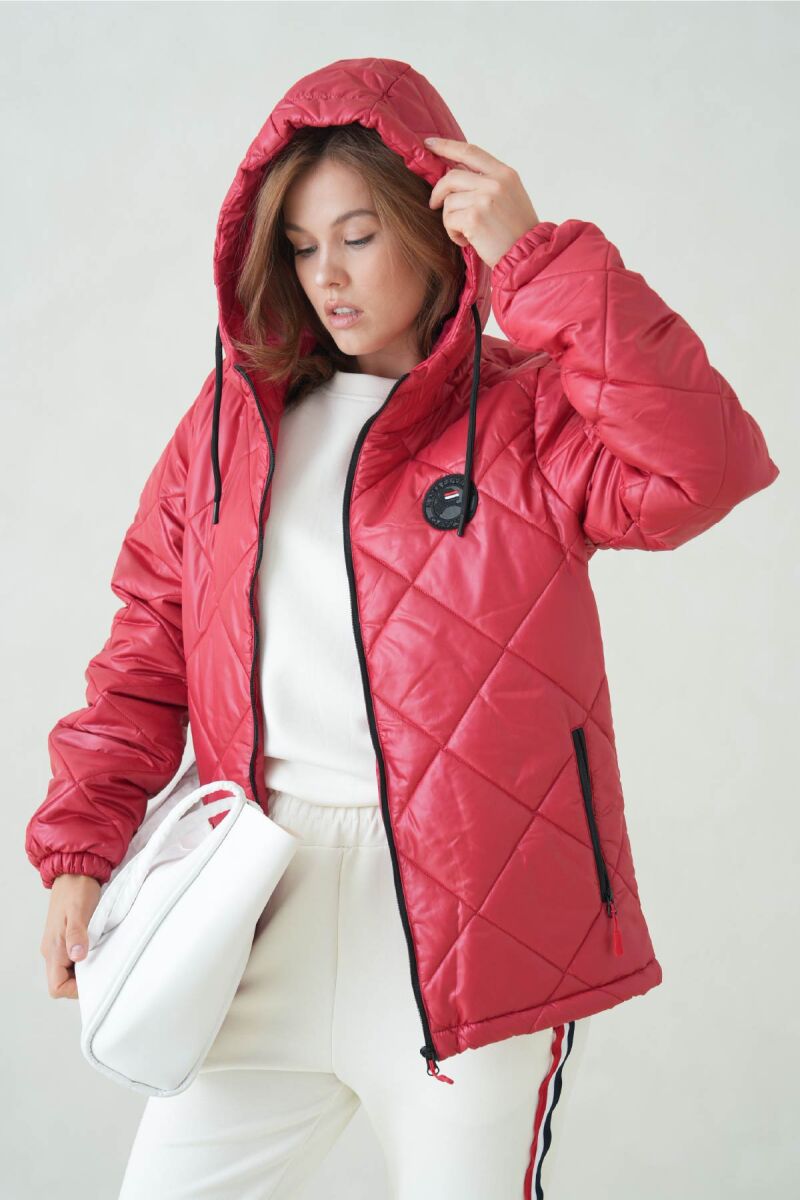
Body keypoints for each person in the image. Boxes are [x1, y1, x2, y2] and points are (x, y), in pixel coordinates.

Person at [25, 57, 779, 1199]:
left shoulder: (528, 417)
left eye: (359, 235)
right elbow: (148, 646)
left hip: (471, 933)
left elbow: (704, 466)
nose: (326, 275)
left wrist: (537, 259)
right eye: (299, 247)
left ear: (434, 228)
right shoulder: (231, 426)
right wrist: (80, 852)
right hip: (256, 906)